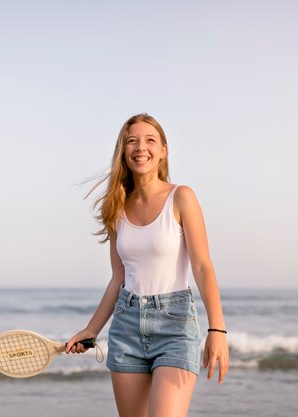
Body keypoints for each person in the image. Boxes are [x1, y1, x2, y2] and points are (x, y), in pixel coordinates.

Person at [65, 113, 229, 417]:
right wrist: (91, 330)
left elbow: (203, 266)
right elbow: (118, 279)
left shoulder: (181, 197)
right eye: (132, 141)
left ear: (163, 150)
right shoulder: (115, 207)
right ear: (123, 151)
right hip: (126, 326)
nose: (141, 147)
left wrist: (217, 329)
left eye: (150, 140)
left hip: (176, 326)